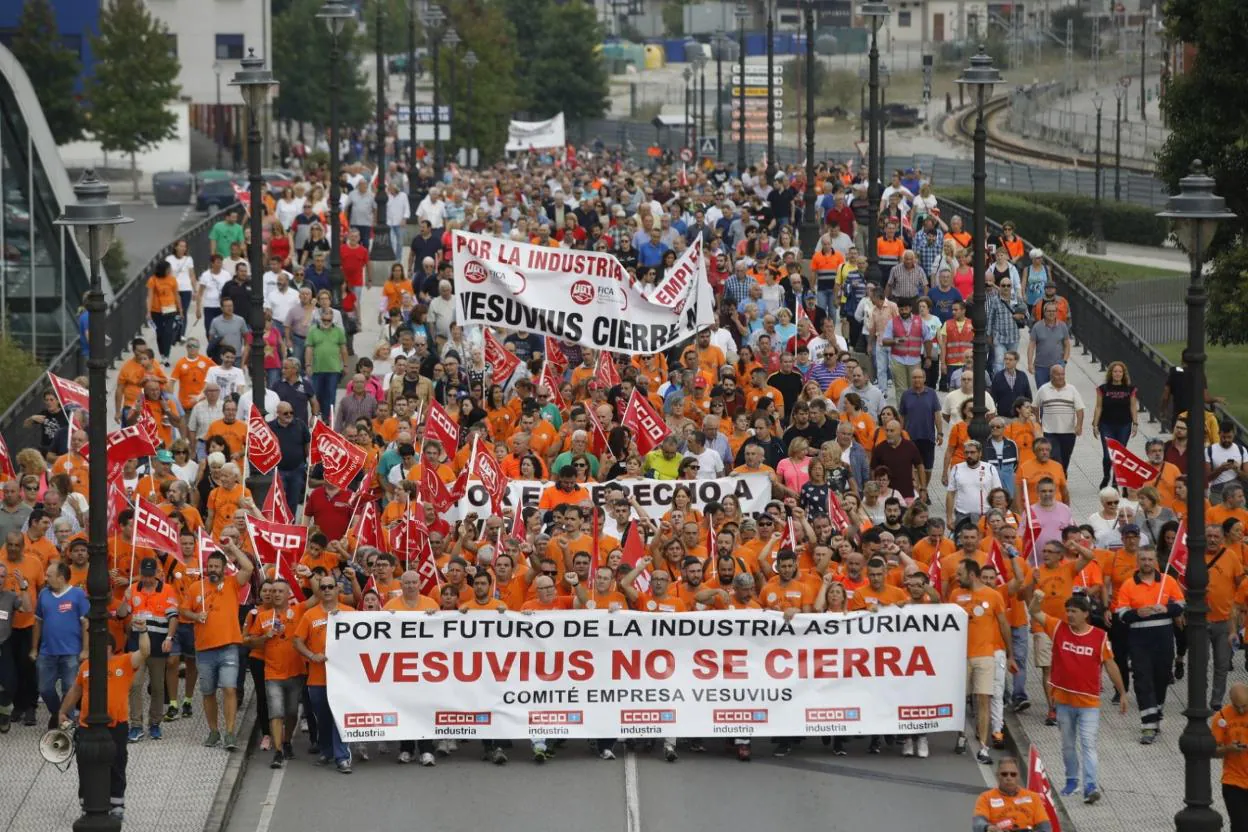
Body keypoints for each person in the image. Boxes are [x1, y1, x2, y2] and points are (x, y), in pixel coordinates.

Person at [1028, 591, 1127, 804]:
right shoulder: (1057, 628)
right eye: (1068, 611)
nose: (1069, 615)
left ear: (1085, 614)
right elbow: (1034, 611)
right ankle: (1072, 780)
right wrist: (1037, 598)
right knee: (1067, 745)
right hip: (1063, 701)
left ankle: (1091, 785)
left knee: (1088, 744)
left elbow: (1110, 665)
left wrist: (1123, 692)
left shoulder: (1100, 637)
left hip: (1089, 703)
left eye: (1074, 612)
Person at [178, 542, 254, 750]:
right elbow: (183, 610)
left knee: (229, 688)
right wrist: (195, 615)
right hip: (204, 650)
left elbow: (248, 568)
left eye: (216, 566)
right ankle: (213, 731)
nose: (212, 570)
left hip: (229, 647)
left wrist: (233, 548)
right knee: (208, 692)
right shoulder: (196, 587)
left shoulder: (232, 583)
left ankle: (230, 733)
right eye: (209, 566)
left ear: (223, 568)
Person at [1113, 547, 1185, 744]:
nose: (1146, 563)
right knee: (1143, 679)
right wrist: (1137, 613)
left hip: (1163, 637)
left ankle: (1157, 711)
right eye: (1143, 559)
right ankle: (1148, 725)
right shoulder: (1129, 584)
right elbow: (1120, 612)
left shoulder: (1167, 581)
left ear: (1156, 562)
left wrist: (1167, 608)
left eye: (1150, 559)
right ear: (1138, 562)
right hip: (1139, 638)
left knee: (1161, 677)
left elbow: (1181, 603)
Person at [950, 558, 1015, 765]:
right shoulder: (955, 595)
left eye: (960, 574)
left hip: (985, 655)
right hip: (960, 656)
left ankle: (984, 747)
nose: (956, 578)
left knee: (983, 700)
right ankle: (961, 736)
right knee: (961, 699)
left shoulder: (993, 596)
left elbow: (1004, 625)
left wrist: (1010, 654)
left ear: (971, 575)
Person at [294, 574, 355, 773]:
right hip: (318, 677)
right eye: (323, 587)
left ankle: (342, 757)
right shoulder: (310, 615)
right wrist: (311, 655)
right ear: (319, 591)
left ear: (338, 589)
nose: (327, 590)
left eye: (331, 587)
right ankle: (328, 751)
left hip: (343, 678)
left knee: (339, 716)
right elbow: (297, 641)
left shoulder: (350, 613)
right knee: (323, 716)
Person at [32, 560, 88, 730]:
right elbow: (38, 622)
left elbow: (86, 623)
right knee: (44, 688)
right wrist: (34, 648)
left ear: (61, 578)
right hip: (47, 652)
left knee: (69, 690)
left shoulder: (78, 595)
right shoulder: (43, 594)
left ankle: (65, 725)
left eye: (49, 575)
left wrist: (85, 649)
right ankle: (59, 714)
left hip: (71, 652)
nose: (45, 578)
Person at [972, 757, 1054, 832]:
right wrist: (988, 828)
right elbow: (978, 823)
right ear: (997, 776)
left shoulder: (1034, 797)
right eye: (1004, 774)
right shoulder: (985, 798)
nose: (1009, 778)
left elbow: (1045, 827)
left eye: (1013, 774)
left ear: (1018, 776)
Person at [1092, 361, 1139, 489]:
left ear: (1123, 374)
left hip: (1124, 425)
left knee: (1119, 455)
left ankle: (1115, 480)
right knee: (1108, 456)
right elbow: (1098, 407)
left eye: (1120, 371)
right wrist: (1095, 424)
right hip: (1106, 425)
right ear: (1111, 373)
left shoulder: (1130, 389)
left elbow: (1133, 406)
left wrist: (1135, 423)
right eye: (1115, 371)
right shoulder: (1103, 389)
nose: (1117, 374)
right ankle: (1106, 475)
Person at [1033, 364, 1085, 473]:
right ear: (1051, 375)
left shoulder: (1072, 389)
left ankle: (1062, 478)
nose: (1061, 377)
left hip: (1068, 432)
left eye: (1062, 374)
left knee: (1065, 459)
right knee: (1055, 458)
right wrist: (1037, 421)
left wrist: (1079, 425)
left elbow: (1080, 409)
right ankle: (1057, 481)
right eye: (1058, 374)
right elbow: (1035, 406)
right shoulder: (1043, 389)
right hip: (1049, 432)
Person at [1213, 682, 1248, 832]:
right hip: (1234, 781)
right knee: (1240, 827)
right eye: (1237, 706)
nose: (1241, 710)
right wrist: (1229, 748)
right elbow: (1213, 751)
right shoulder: (1221, 717)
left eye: (1244, 706)